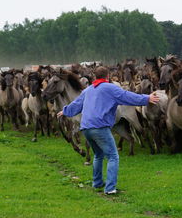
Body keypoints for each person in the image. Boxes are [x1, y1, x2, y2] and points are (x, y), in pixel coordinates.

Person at [57, 66, 159, 195]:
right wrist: (146, 98)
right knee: (113, 157)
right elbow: (127, 96)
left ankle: (97, 183)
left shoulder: (88, 90)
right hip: (99, 127)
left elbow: (76, 104)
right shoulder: (110, 88)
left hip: (86, 128)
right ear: (108, 76)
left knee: (98, 155)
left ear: (95, 76)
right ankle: (110, 188)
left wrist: (65, 111)